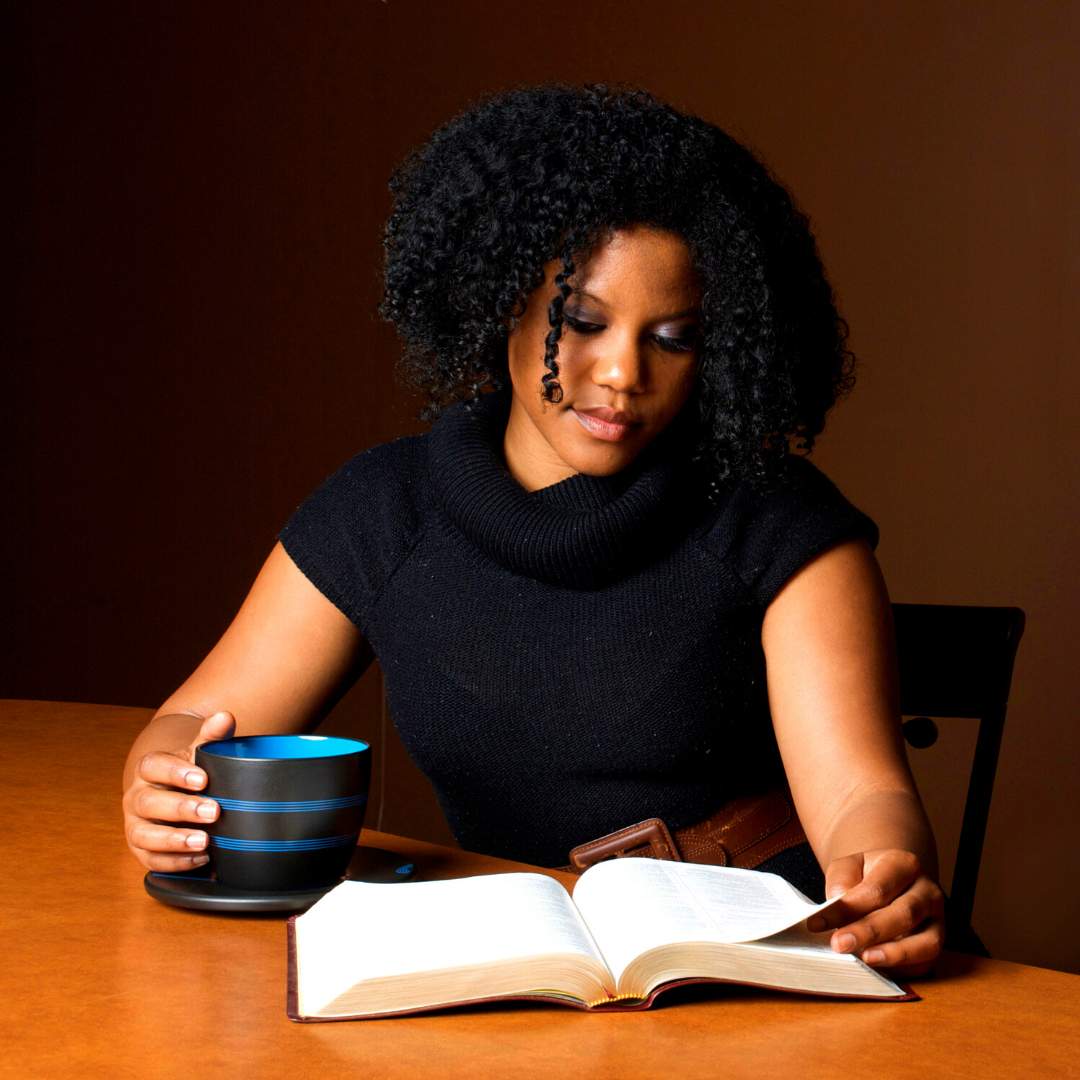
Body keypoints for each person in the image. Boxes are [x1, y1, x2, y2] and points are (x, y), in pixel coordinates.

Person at [122, 85, 944, 975]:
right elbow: (197, 719)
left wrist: (885, 872)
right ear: (502, 301)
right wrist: (166, 782)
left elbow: (863, 793)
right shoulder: (384, 511)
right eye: (583, 322)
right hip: (540, 967)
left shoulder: (777, 520)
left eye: (673, 338)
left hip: (772, 954)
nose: (623, 372)